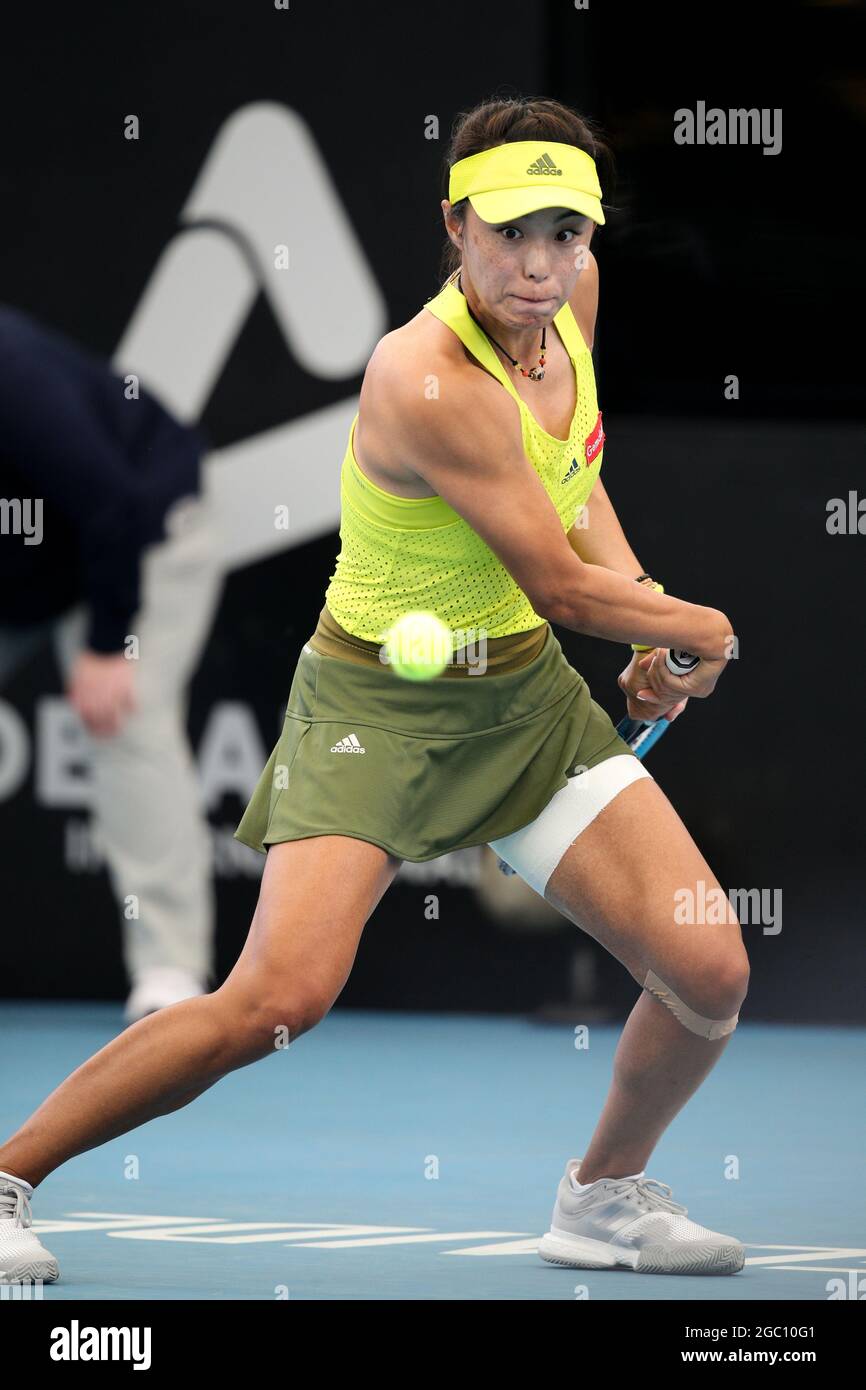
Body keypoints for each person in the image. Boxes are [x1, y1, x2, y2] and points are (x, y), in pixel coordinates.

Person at [0, 95, 748, 1285]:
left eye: (566, 234)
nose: (541, 265)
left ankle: (600, 1197)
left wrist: (646, 603)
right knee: (273, 1001)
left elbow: (577, 485)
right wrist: (694, 624)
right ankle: (8, 1172)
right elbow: (556, 579)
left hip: (522, 702)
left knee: (709, 964)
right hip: (373, 712)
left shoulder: (572, 308)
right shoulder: (422, 377)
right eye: (511, 233)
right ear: (454, 225)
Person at [0, 305, 223, 1025]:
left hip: (140, 537)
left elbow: (111, 503)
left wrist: (106, 645)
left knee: (123, 721)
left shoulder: (13, 371)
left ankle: (170, 968)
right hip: (30, 567)